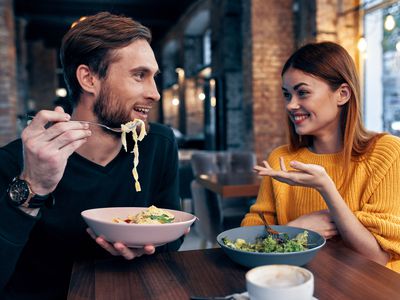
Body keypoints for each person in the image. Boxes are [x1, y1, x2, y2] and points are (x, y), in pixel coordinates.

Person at [0, 12, 184, 299]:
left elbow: (173, 233)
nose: (155, 93)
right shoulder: (16, 161)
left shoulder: (157, 144)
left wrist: (148, 246)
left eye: (154, 78)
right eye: (139, 75)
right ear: (89, 78)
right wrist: (33, 185)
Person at [242, 41, 400, 273]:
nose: (291, 105)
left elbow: (376, 257)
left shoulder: (386, 152)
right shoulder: (280, 158)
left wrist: (326, 188)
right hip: (302, 282)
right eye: (287, 95)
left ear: (343, 94)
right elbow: (248, 241)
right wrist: (295, 229)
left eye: (302, 92)